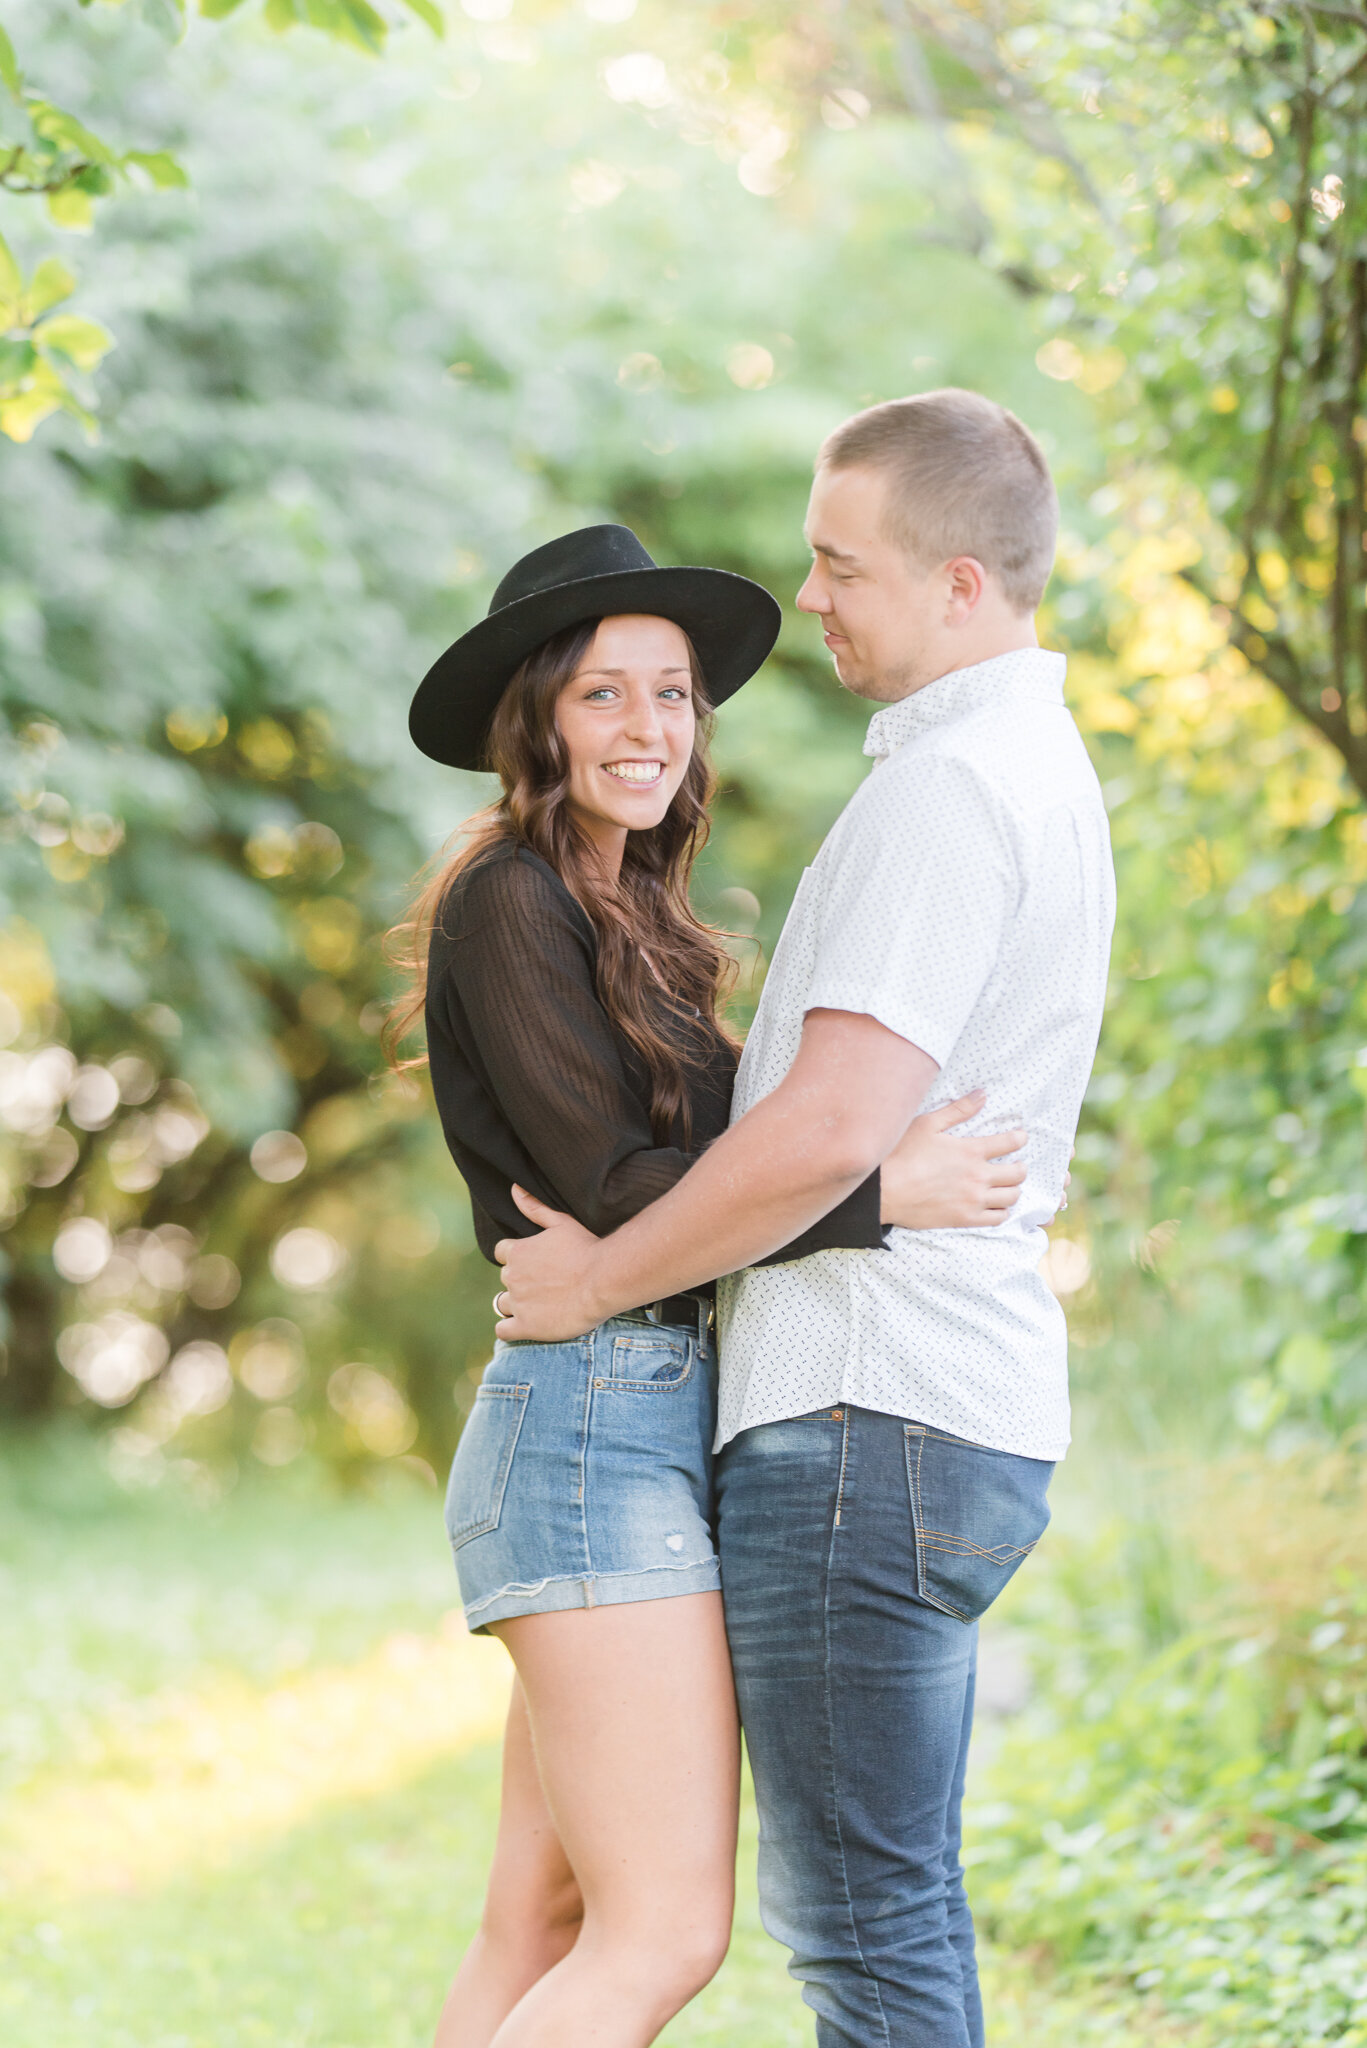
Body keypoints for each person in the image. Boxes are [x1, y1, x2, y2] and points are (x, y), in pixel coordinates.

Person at [493, 390, 1117, 2048]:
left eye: (842, 566)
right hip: (921, 1414)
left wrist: (600, 1282)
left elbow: (825, 1130)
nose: (814, 598)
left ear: (963, 584)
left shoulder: (948, 794)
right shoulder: (1018, 768)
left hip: (868, 1418)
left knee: (864, 1936)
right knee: (873, 1913)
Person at [388, 520, 1028, 2048]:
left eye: (672, 695)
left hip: (627, 1411)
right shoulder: (512, 903)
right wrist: (886, 1194)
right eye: (605, 696)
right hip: (591, 1425)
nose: (649, 730)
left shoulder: (639, 919)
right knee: (662, 1934)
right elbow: (618, 1193)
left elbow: (734, 1156)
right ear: (537, 717)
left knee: (540, 1922)